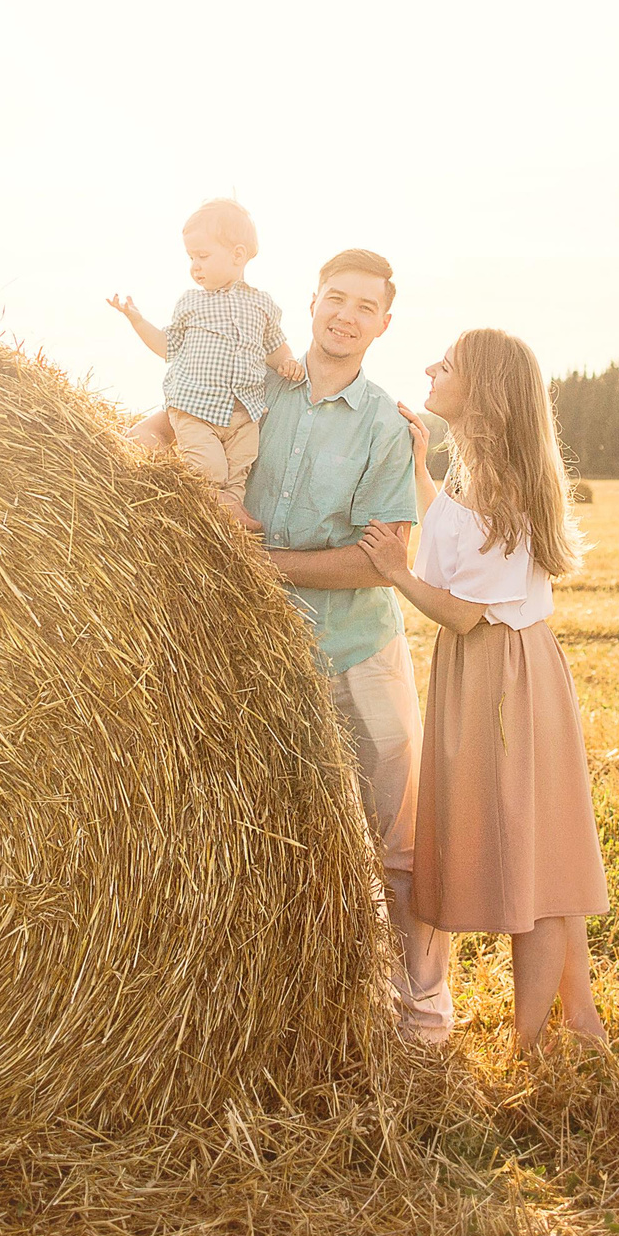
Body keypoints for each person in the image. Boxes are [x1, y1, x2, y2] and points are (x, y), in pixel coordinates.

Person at [190, 248, 454, 1042]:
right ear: (310, 301)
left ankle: (423, 1006)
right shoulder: (256, 389)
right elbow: (179, 426)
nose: (345, 315)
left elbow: (376, 560)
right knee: (275, 834)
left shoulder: (384, 423)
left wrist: (261, 562)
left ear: (383, 323)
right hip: (258, 657)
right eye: (335, 298)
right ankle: (300, 1003)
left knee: (396, 839)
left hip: (358, 652)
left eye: (363, 306)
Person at [357, 329, 609, 1053]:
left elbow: (463, 608)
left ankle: (531, 1050)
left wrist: (395, 571)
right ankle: (580, 1025)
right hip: (518, 667)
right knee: (547, 855)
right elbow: (459, 531)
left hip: (497, 676)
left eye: (449, 365)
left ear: (484, 389)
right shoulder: (491, 475)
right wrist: (418, 465)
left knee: (528, 866)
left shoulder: (494, 484)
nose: (432, 369)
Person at [106, 198, 301, 528]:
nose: (195, 266)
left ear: (238, 255)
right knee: (209, 469)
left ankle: (229, 514)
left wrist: (289, 363)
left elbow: (275, 348)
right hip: (196, 409)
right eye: (191, 258)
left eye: (203, 256)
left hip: (244, 412)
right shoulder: (191, 303)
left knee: (240, 468)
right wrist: (137, 321)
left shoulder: (262, 304)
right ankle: (208, 506)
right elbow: (168, 347)